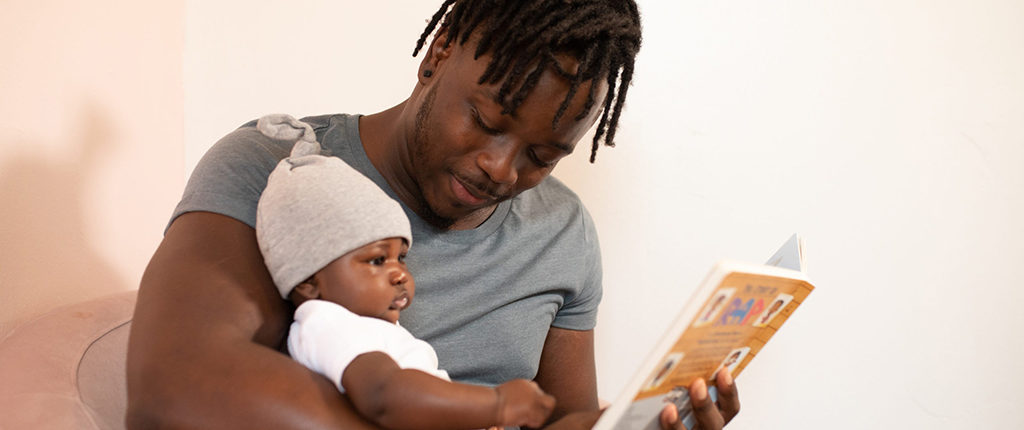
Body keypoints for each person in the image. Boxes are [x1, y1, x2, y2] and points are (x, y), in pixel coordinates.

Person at [126, 1, 742, 429]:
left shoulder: (562, 232)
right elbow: (173, 388)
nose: (502, 170)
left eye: (543, 156)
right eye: (487, 121)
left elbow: (554, 419)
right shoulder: (278, 169)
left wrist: (636, 423)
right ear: (439, 54)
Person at [254, 114, 555, 429]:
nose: (399, 275)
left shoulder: (368, 328)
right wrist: (496, 405)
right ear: (309, 282)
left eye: (402, 258)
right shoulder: (327, 325)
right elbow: (385, 396)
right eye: (376, 261)